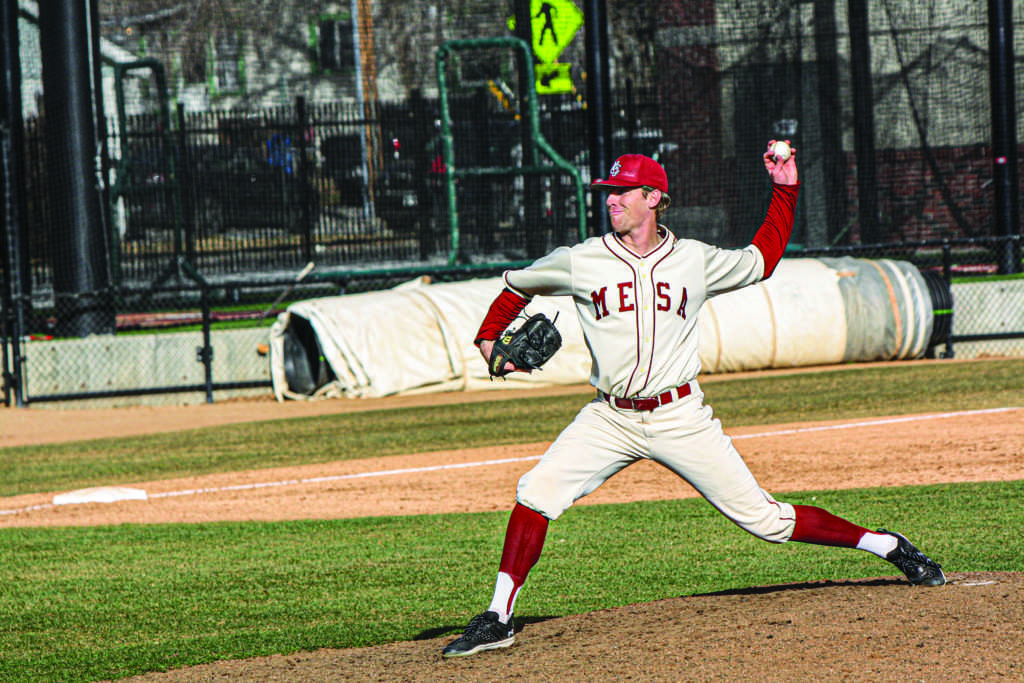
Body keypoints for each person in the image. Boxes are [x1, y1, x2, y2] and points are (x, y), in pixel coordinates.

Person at [441, 146, 945, 658]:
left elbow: (763, 259)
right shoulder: (581, 259)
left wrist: (785, 189)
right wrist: (489, 342)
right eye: (607, 192)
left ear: (653, 197)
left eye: (621, 192)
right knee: (536, 493)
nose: (610, 200)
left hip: (680, 414)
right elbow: (515, 287)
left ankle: (886, 544)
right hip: (609, 416)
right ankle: (498, 616)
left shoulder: (694, 260)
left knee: (767, 521)